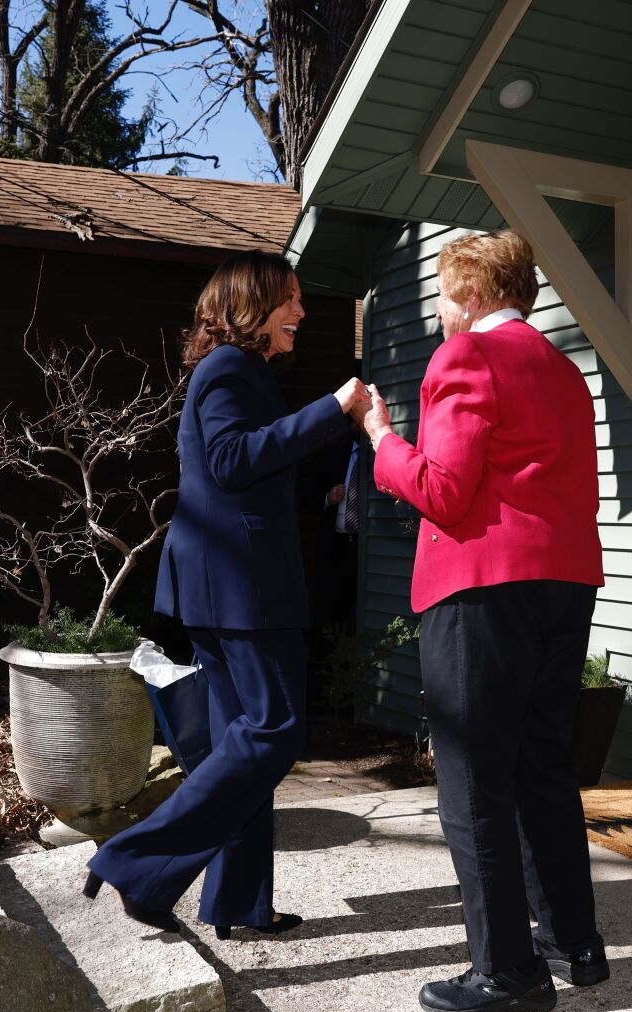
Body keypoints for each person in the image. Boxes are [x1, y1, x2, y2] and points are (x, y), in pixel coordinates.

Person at [354, 229, 608, 1012]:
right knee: (541, 768)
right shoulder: (565, 371)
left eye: (440, 294)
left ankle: (506, 971)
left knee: (471, 783)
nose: (437, 310)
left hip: (482, 588)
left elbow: (444, 489)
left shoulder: (466, 358)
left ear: (469, 296)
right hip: (563, 585)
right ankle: (574, 943)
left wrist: (379, 440)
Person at [84, 250, 369, 939]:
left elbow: (250, 468)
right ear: (253, 305)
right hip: (241, 587)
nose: (301, 311)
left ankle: (234, 901)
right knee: (273, 732)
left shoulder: (245, 373)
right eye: (291, 300)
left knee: (237, 746)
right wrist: (334, 407)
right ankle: (134, 857)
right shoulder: (228, 369)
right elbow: (232, 460)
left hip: (227, 583)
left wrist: (323, 484)